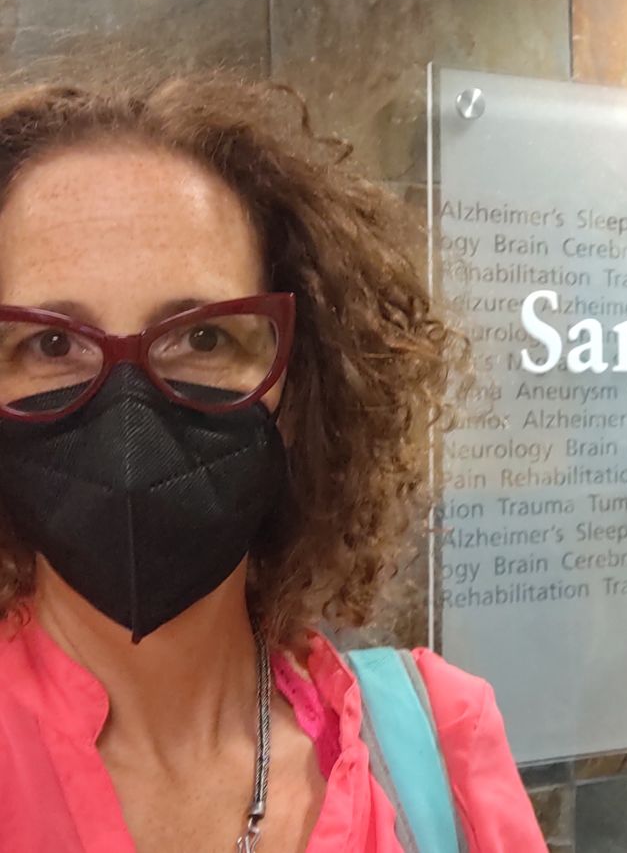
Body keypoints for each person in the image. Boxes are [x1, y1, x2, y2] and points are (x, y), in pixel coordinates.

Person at [0, 71, 547, 852]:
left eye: (203, 337)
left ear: (302, 381)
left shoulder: (436, 752)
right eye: (51, 344)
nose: (129, 425)